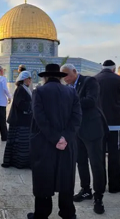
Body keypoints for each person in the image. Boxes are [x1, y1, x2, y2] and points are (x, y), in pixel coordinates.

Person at [28, 63, 81, 219]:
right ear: (60, 77)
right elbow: (77, 118)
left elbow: (40, 118)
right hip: (67, 144)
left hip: (45, 143)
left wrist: (54, 138)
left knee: (44, 177)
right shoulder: (72, 92)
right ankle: (68, 213)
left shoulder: (39, 92)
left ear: (45, 77)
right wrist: (65, 138)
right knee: (66, 177)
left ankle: (42, 213)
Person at [61, 64, 106, 215]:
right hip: (77, 131)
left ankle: (98, 197)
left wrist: (70, 103)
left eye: (67, 74)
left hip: (92, 129)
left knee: (96, 163)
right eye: (62, 76)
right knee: (81, 161)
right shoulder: (67, 87)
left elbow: (91, 101)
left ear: (74, 71)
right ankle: (86, 189)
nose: (65, 78)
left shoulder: (89, 82)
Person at [94, 60, 120, 194]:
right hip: (116, 124)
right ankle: (114, 186)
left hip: (98, 124)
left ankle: (100, 185)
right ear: (114, 69)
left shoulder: (94, 79)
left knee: (99, 156)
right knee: (114, 156)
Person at [2, 71, 32, 169]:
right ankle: (19, 162)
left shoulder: (25, 89)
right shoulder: (20, 89)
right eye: (29, 78)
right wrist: (31, 107)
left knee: (22, 142)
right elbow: (20, 104)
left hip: (23, 120)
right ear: (24, 79)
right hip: (19, 120)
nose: (30, 80)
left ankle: (22, 161)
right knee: (19, 141)